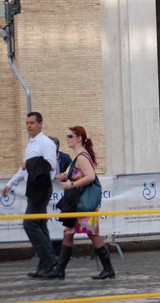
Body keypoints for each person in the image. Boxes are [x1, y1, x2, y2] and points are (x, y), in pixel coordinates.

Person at [44, 126, 116, 280]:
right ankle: (60, 269)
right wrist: (64, 175)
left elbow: (89, 176)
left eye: (70, 136)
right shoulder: (79, 156)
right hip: (77, 204)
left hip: (82, 203)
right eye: (67, 136)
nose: (67, 139)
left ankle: (108, 269)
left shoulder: (82, 156)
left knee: (92, 234)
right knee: (69, 233)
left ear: (79, 138)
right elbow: (77, 173)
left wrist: (71, 184)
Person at [2, 112, 57, 278]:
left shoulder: (46, 143)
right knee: (40, 226)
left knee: (29, 225)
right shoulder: (31, 143)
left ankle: (50, 261)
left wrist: (29, 163)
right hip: (33, 187)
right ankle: (45, 266)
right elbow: (23, 168)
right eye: (27, 123)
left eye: (32, 123)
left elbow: (50, 165)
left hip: (41, 187)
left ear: (40, 124)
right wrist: (10, 184)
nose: (29, 126)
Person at [49, 136, 73, 255]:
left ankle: (61, 252)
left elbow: (72, 171)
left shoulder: (65, 157)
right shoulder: (44, 159)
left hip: (63, 194)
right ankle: (52, 251)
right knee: (50, 223)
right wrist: (54, 177)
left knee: (61, 222)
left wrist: (65, 175)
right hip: (48, 195)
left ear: (57, 147)